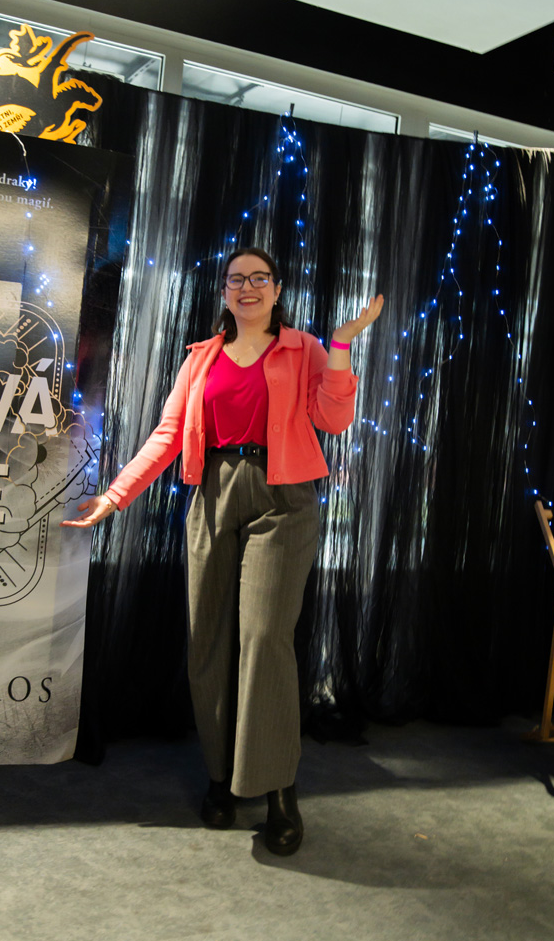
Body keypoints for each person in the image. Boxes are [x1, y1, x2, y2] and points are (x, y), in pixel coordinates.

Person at [62, 248, 384, 855]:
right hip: (212, 493)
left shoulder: (304, 349)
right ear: (225, 291)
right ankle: (221, 776)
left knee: (264, 639)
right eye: (237, 279)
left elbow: (333, 418)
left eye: (260, 278)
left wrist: (341, 345)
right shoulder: (202, 357)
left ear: (277, 289)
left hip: (283, 498)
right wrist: (116, 495)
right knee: (207, 638)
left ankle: (277, 788)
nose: (248, 287)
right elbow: (168, 434)